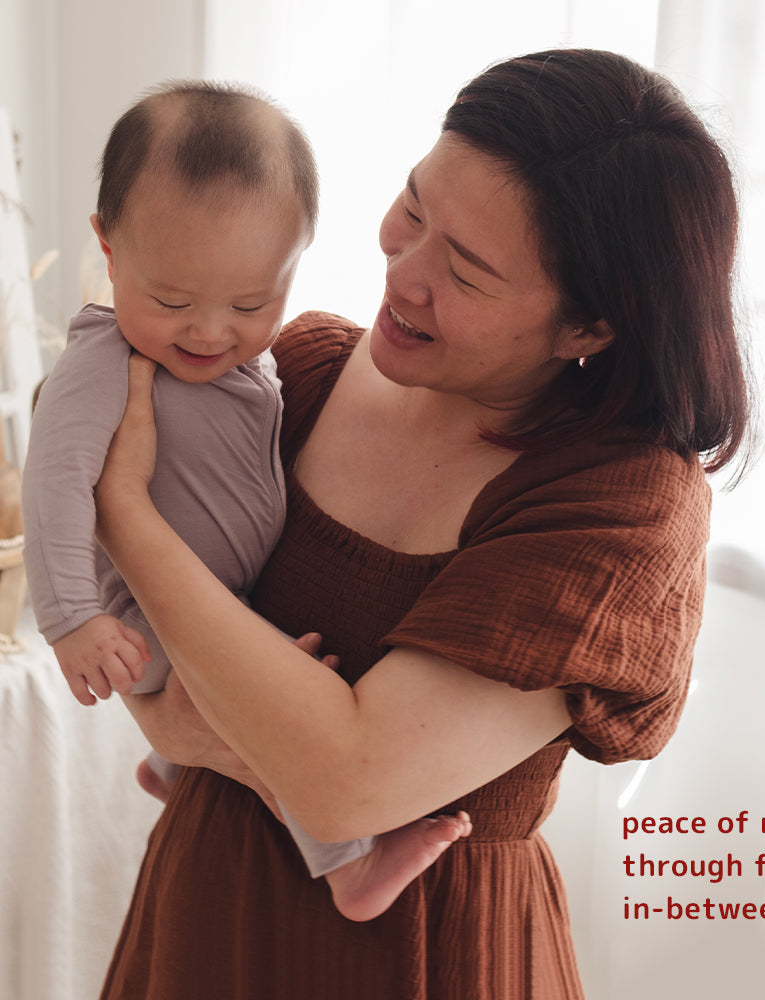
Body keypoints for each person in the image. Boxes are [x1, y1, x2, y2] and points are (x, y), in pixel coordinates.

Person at [94, 49, 752, 998]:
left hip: (425, 955)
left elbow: (344, 781)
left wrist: (124, 518)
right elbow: (149, 670)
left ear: (589, 329)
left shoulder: (620, 512)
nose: (403, 273)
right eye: (414, 207)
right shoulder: (302, 370)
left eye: (470, 273)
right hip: (207, 898)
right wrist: (216, 725)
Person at [20, 80, 469, 923]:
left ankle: (173, 768)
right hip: (143, 619)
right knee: (285, 715)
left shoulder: (257, 361)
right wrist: (72, 618)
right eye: (172, 301)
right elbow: (52, 481)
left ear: (293, 266)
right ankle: (348, 869)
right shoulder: (104, 363)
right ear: (108, 249)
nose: (210, 333)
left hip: (216, 600)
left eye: (251, 302)